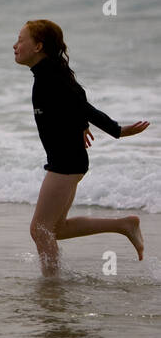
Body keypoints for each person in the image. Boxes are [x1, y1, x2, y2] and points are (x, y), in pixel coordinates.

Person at [14, 19, 147, 275]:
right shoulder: (49, 72)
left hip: (66, 162)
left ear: (38, 46)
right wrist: (81, 123)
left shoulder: (50, 76)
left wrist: (116, 130)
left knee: (39, 230)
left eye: (21, 40)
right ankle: (124, 225)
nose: (15, 45)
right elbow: (74, 98)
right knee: (55, 229)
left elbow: (80, 102)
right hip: (68, 160)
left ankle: (52, 288)